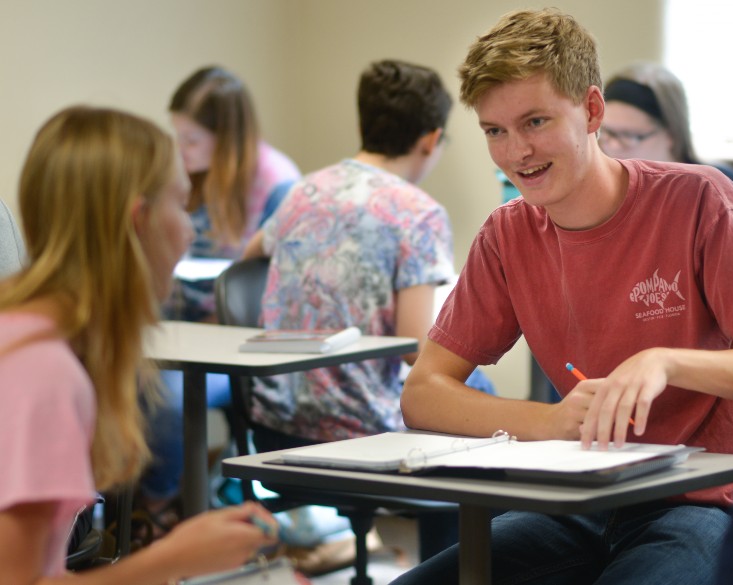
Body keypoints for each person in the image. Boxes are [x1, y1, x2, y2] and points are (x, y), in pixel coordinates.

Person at [393, 7, 733, 585]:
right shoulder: (508, 234)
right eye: (495, 131)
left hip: (699, 501)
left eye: (535, 122)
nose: (516, 152)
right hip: (580, 499)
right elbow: (423, 394)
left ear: (593, 110)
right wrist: (551, 422)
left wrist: (666, 361)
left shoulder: (699, 201)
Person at [0, 106, 280, 583]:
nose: (191, 230)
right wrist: (174, 558)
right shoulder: (44, 372)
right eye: (181, 205)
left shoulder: (26, 335)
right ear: (139, 219)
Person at [244, 59, 492, 560]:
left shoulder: (301, 191)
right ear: (431, 138)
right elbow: (415, 353)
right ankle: (451, 568)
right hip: (360, 428)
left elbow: (248, 263)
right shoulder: (417, 212)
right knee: (475, 396)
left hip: (275, 423)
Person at [141, 65, 301, 526]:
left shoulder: (277, 185)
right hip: (173, 334)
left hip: (236, 347)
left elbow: (274, 299)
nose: (182, 150)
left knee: (165, 401)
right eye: (178, 137)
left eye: (191, 139)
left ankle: (157, 512)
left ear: (226, 137)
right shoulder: (185, 176)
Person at [600, 61, 733, 187]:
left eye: (629, 136)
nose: (613, 146)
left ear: (671, 134)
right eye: (607, 132)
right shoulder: (606, 186)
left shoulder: (720, 186)